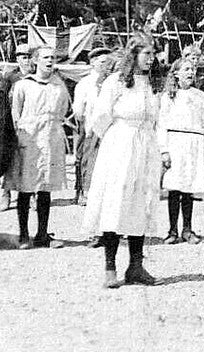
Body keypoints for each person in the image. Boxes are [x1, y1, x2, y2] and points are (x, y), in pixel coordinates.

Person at [83, 36, 165, 287]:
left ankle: (136, 267)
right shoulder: (115, 82)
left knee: (141, 201)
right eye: (146, 54)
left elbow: (157, 118)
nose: (151, 59)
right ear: (134, 55)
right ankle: (110, 267)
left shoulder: (153, 85)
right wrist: (114, 140)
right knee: (116, 202)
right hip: (119, 145)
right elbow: (100, 117)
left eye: (153, 55)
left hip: (146, 145)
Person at [8, 46, 71, 250]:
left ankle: (42, 233)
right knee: (26, 187)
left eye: (53, 57)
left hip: (51, 138)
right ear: (35, 61)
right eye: (45, 57)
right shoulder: (23, 86)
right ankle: (23, 234)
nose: (50, 61)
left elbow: (62, 110)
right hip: (29, 139)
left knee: (45, 187)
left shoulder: (59, 86)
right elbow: (15, 114)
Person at [159, 57, 204, 245]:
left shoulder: (200, 96)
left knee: (189, 188)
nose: (191, 73)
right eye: (186, 69)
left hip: (195, 143)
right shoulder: (168, 96)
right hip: (175, 142)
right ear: (176, 73)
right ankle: (172, 230)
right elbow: (162, 124)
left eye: (193, 69)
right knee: (175, 187)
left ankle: (187, 229)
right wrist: (164, 149)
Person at [72, 46, 113, 206]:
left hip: (107, 127)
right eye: (102, 62)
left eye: (108, 62)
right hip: (88, 126)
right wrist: (86, 125)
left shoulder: (112, 82)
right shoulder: (85, 83)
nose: (106, 66)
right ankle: (81, 191)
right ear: (93, 63)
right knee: (85, 159)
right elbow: (78, 109)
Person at [0, 42, 35, 211]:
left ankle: (33, 195)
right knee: (10, 159)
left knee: (32, 160)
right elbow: (1, 99)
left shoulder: (39, 76)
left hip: (33, 123)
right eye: (23, 57)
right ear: (17, 58)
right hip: (13, 124)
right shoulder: (10, 77)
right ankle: (6, 193)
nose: (26, 61)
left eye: (29, 57)